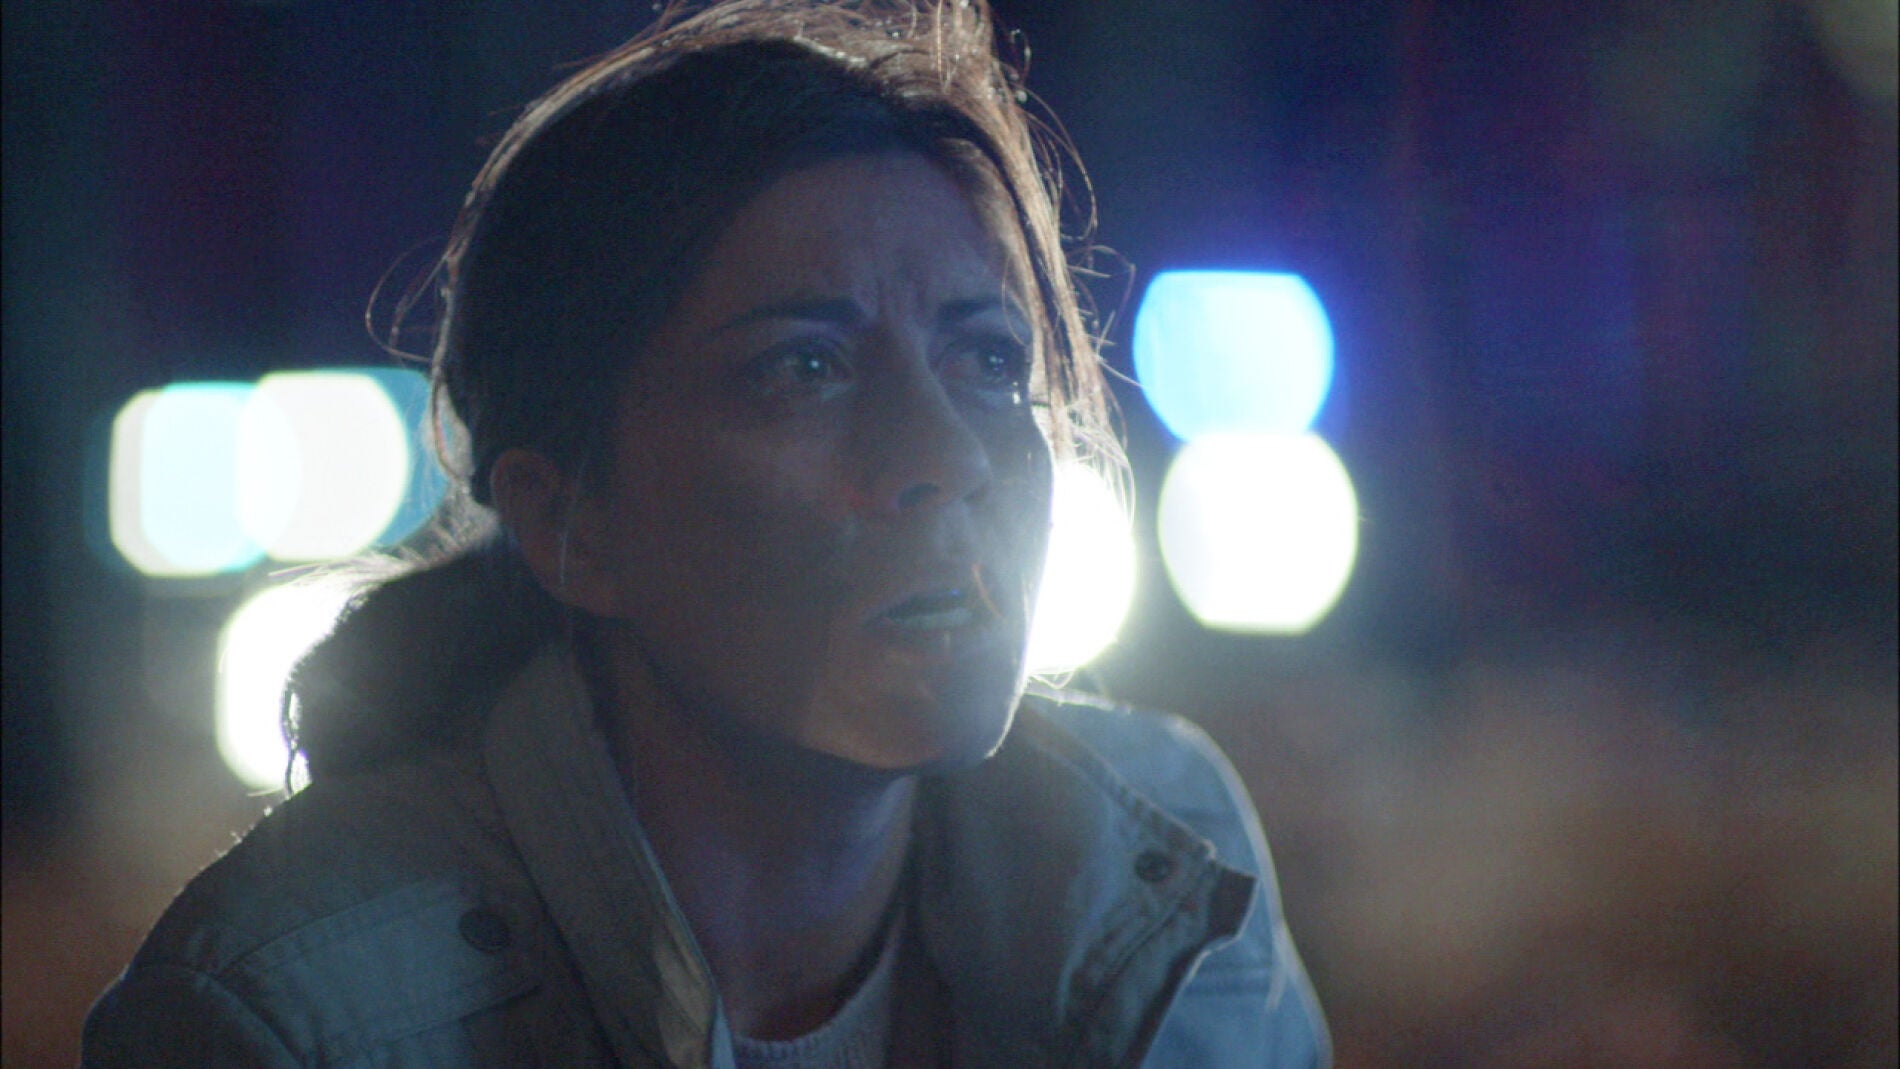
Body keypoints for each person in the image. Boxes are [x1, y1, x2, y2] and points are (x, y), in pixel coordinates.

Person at [82, 1, 1329, 1065]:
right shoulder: (286, 1015)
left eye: (989, 361)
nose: (945, 457)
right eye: (804, 367)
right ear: (567, 521)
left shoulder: (1163, 856)